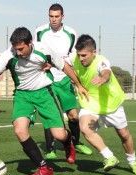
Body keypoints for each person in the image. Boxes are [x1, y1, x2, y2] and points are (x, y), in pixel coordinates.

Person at [0, 27, 87, 175]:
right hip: (23, 96)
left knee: (59, 134)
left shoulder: (44, 50)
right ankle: (44, 168)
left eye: (21, 49)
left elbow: (64, 66)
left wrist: (79, 85)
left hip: (44, 93)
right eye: (16, 49)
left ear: (30, 43)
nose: (19, 52)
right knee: (20, 130)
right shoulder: (8, 56)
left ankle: (68, 142)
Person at [65, 34, 136, 175]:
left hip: (110, 103)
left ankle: (133, 162)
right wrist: (77, 83)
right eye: (79, 55)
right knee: (84, 127)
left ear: (94, 52)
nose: (81, 58)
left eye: (84, 55)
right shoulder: (74, 57)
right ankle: (109, 157)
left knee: (124, 134)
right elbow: (63, 64)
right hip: (90, 102)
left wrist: (103, 78)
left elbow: (106, 72)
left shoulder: (102, 61)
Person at [34, 3, 92, 159]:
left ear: (62, 17)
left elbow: (73, 56)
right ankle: (50, 149)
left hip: (65, 79)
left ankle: (77, 142)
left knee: (73, 115)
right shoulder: (40, 31)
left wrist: (77, 78)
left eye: (57, 16)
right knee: (49, 115)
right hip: (48, 79)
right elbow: (38, 52)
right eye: (51, 16)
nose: (53, 20)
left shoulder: (71, 33)